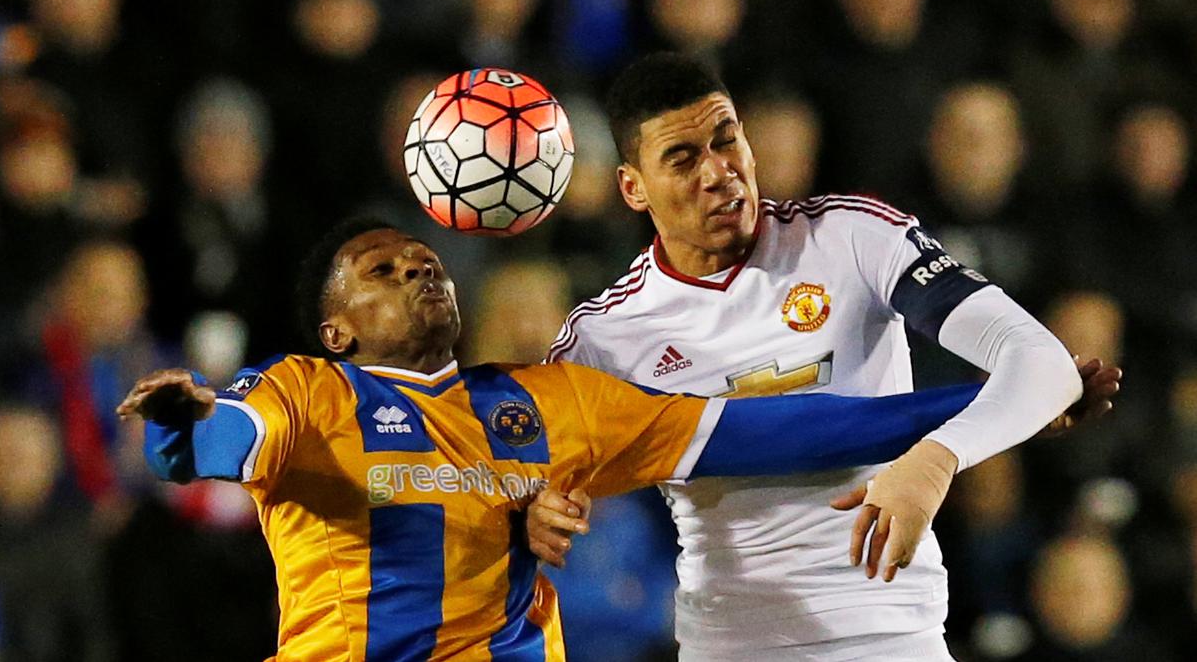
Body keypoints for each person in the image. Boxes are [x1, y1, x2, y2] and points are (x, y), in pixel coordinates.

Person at [120, 218, 1041, 661]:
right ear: (338, 331)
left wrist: (978, 403)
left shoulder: (553, 402)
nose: (418, 271)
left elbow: (766, 429)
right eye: (383, 272)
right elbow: (223, 439)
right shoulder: (310, 390)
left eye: (426, 261)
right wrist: (181, 427)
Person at [531, 52, 1119, 661]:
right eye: (682, 159)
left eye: (726, 140)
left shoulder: (851, 239)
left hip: (895, 640)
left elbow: (1042, 361)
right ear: (632, 186)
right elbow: (524, 482)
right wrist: (538, 511)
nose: (719, 173)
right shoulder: (604, 336)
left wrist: (935, 461)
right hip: (734, 645)